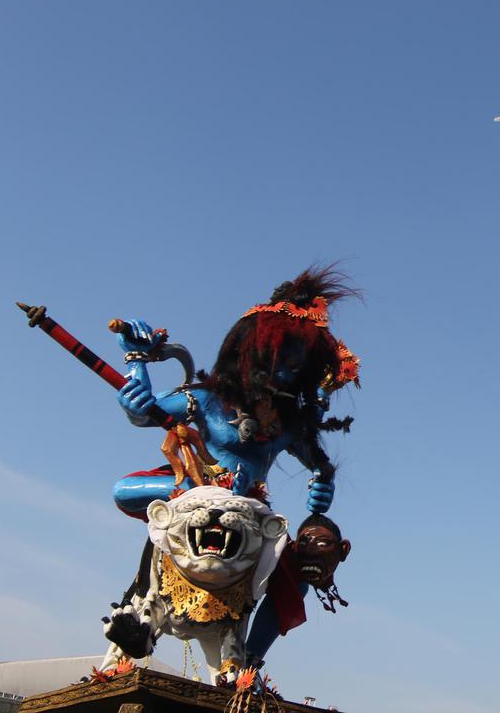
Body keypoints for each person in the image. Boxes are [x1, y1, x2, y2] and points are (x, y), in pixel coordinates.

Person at [110, 266, 360, 518]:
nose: (283, 375)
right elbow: (144, 414)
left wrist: (323, 484)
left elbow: (320, 467)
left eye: (294, 368)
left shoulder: (289, 425)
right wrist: (136, 360)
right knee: (123, 490)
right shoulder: (207, 401)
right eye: (275, 362)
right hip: (193, 502)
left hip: (249, 517)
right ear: (247, 355)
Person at [246, 513, 352, 665]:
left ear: (343, 549)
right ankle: (248, 660)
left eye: (322, 544)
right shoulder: (285, 563)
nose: (312, 552)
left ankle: (248, 660)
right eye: (304, 544)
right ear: (294, 547)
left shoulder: (290, 575)